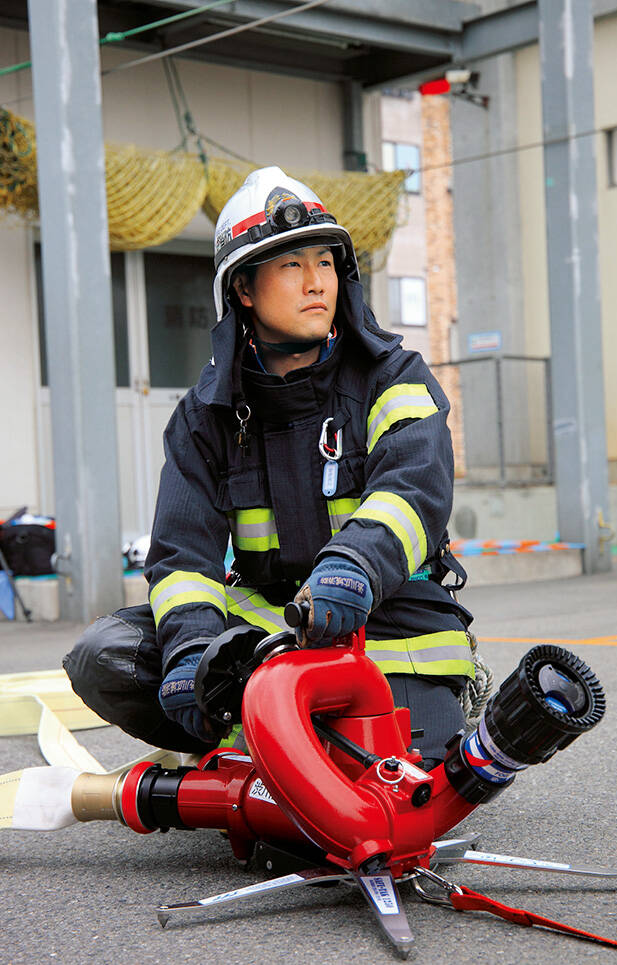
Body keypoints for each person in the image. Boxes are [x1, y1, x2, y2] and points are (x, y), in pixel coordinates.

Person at [64, 166, 477, 771]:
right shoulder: (205, 415)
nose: (316, 283)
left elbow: (414, 492)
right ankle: (255, 745)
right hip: (266, 641)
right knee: (107, 654)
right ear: (244, 290)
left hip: (389, 634)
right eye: (291, 266)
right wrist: (192, 652)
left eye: (326, 263)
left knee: (391, 784)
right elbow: (183, 561)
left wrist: (353, 568)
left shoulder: (394, 378)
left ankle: (272, 754)